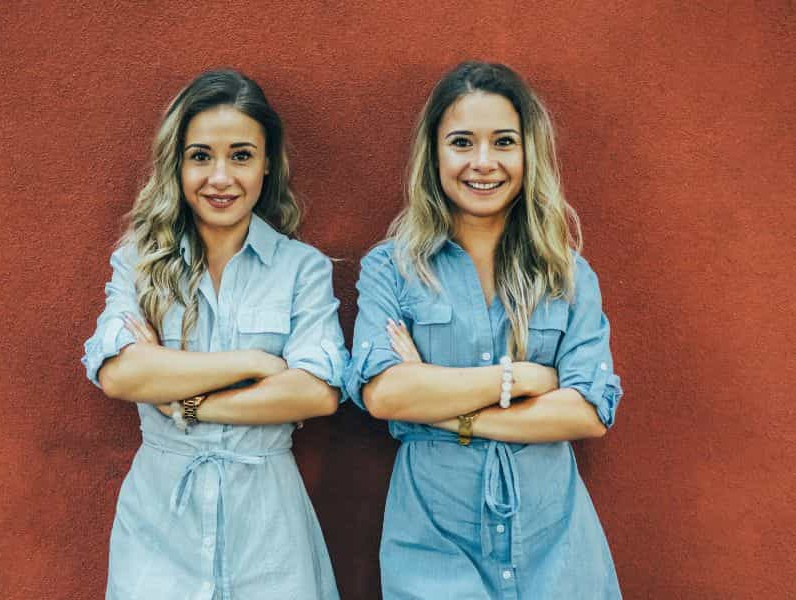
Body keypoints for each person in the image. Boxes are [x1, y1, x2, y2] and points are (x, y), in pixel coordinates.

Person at [346, 61, 624, 599]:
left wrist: (441, 409)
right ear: (435, 154)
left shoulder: (566, 274)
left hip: (557, 547)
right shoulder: (391, 269)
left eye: (502, 142)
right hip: (432, 543)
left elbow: (588, 412)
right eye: (461, 142)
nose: (482, 163)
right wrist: (522, 378)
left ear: (527, 153)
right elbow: (383, 393)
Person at [81, 69, 346, 600]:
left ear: (267, 163)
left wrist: (186, 402)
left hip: (268, 524)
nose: (220, 177)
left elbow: (316, 391)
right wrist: (254, 362)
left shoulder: (302, 270)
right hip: (159, 523)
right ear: (177, 164)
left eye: (241, 155)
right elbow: (120, 372)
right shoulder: (138, 262)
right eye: (201, 156)